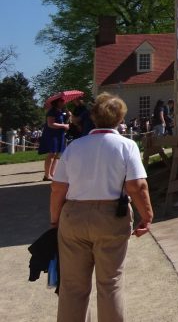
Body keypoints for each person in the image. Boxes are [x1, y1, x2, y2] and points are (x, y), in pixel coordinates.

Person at [50, 92, 153, 322]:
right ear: (120, 119)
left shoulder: (74, 147)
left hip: (74, 215)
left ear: (93, 117)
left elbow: (57, 188)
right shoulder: (127, 146)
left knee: (73, 286)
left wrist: (55, 219)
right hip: (110, 217)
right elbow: (137, 186)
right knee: (110, 284)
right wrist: (147, 215)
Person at [38, 97, 70, 181]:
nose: (64, 102)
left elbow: (63, 122)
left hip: (59, 135)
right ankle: (47, 175)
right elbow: (50, 124)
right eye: (62, 101)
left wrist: (68, 116)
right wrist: (64, 126)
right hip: (52, 135)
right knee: (52, 153)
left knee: (57, 154)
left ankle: (52, 173)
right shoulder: (51, 112)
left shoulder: (60, 112)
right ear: (57, 102)